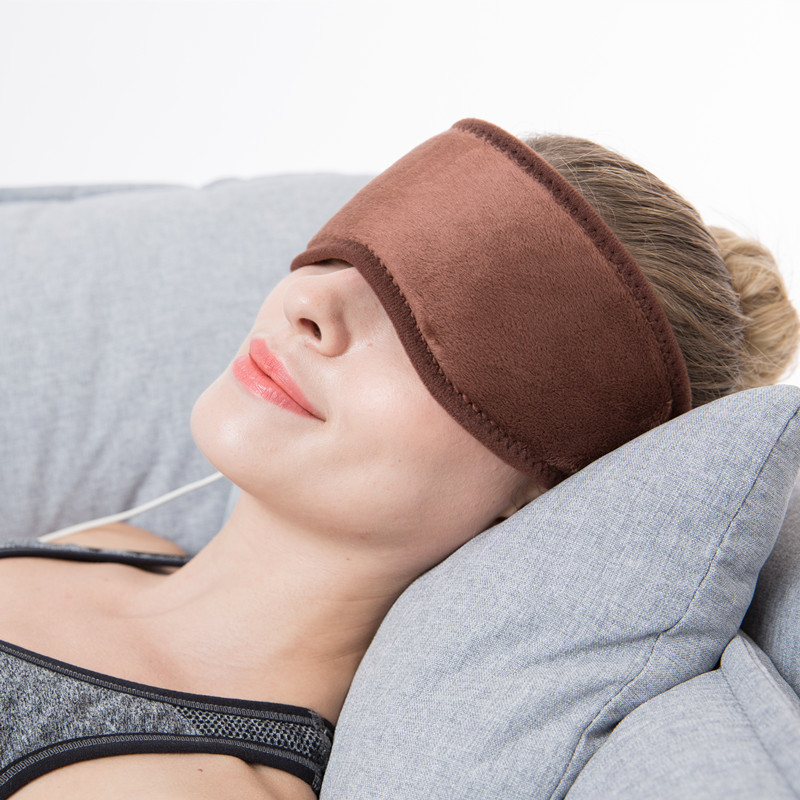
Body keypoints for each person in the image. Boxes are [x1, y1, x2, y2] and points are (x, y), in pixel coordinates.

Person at [0, 118, 797, 800]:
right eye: (345, 257)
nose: (310, 303)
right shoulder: (114, 545)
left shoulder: (175, 783)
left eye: (430, 327)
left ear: (539, 487)